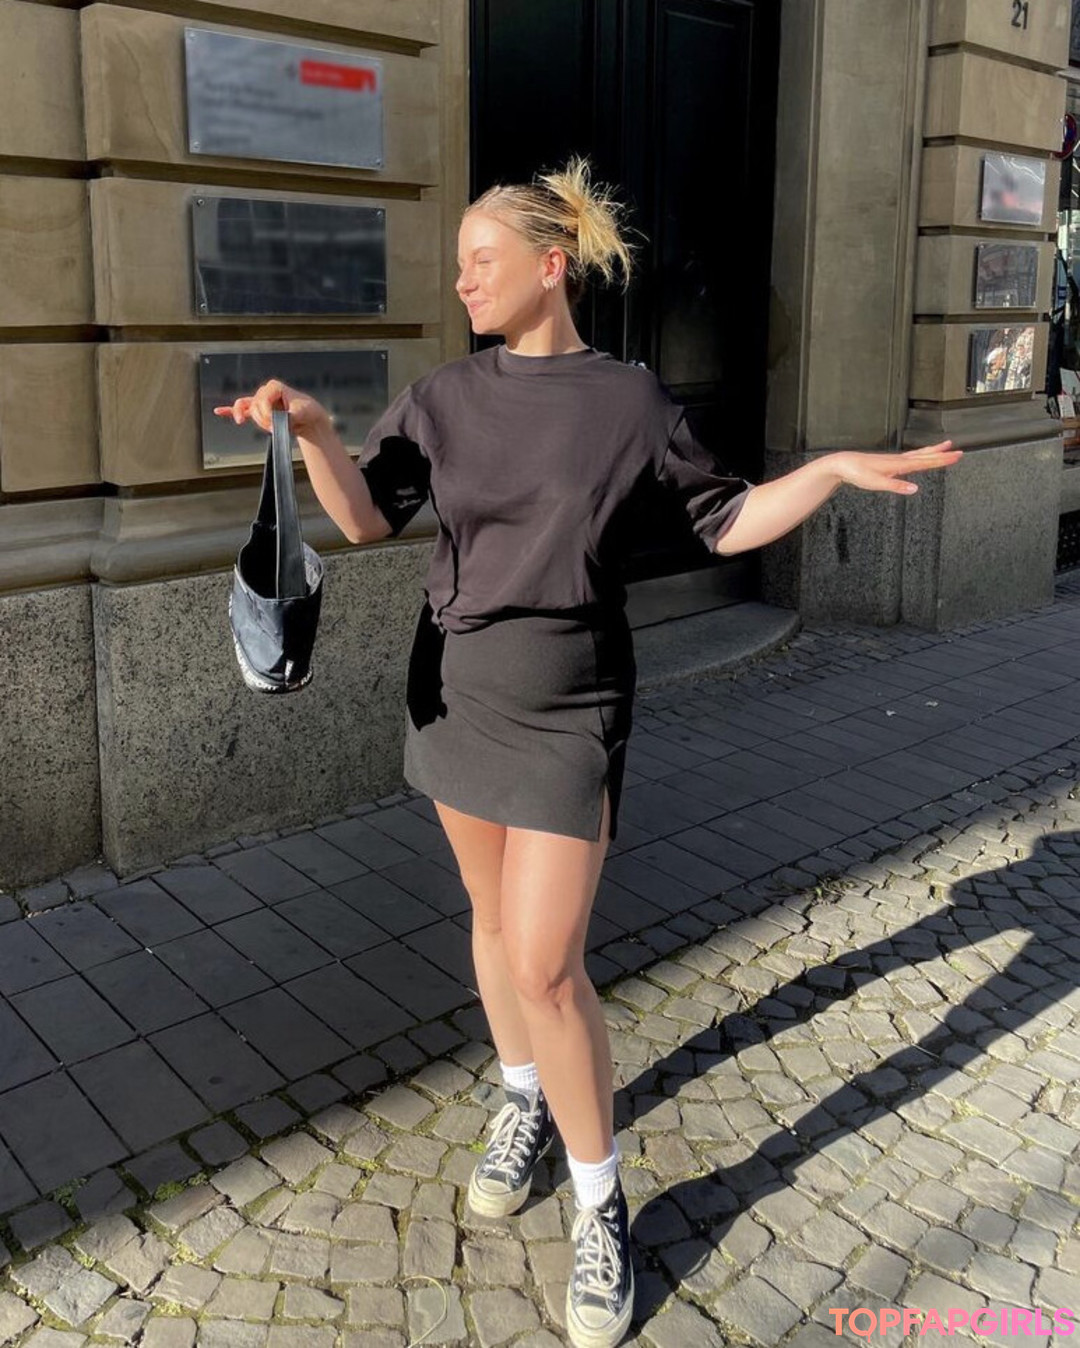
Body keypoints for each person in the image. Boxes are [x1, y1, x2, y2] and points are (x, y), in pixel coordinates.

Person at [216, 156, 962, 1348]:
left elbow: (726, 518)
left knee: (550, 964)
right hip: (455, 695)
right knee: (489, 922)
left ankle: (601, 1199)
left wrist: (823, 472)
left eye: (482, 260)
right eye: (460, 263)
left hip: (571, 706)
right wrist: (309, 429)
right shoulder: (444, 396)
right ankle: (521, 1099)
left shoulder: (628, 402)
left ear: (549, 266)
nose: (463, 281)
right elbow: (363, 518)